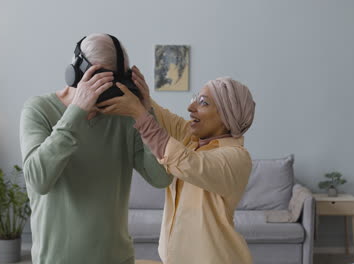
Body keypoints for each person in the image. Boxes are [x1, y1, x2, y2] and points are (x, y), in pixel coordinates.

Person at [19, 33, 172, 264]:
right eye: (100, 82)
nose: (107, 92)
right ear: (77, 73)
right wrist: (76, 113)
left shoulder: (125, 117)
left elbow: (161, 178)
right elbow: (38, 179)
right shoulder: (38, 109)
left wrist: (145, 113)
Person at [98, 67, 256, 264]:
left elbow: (185, 162)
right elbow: (158, 116)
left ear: (226, 116)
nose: (191, 108)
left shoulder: (236, 158)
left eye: (203, 103)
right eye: (194, 98)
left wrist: (140, 115)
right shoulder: (190, 138)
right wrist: (139, 95)